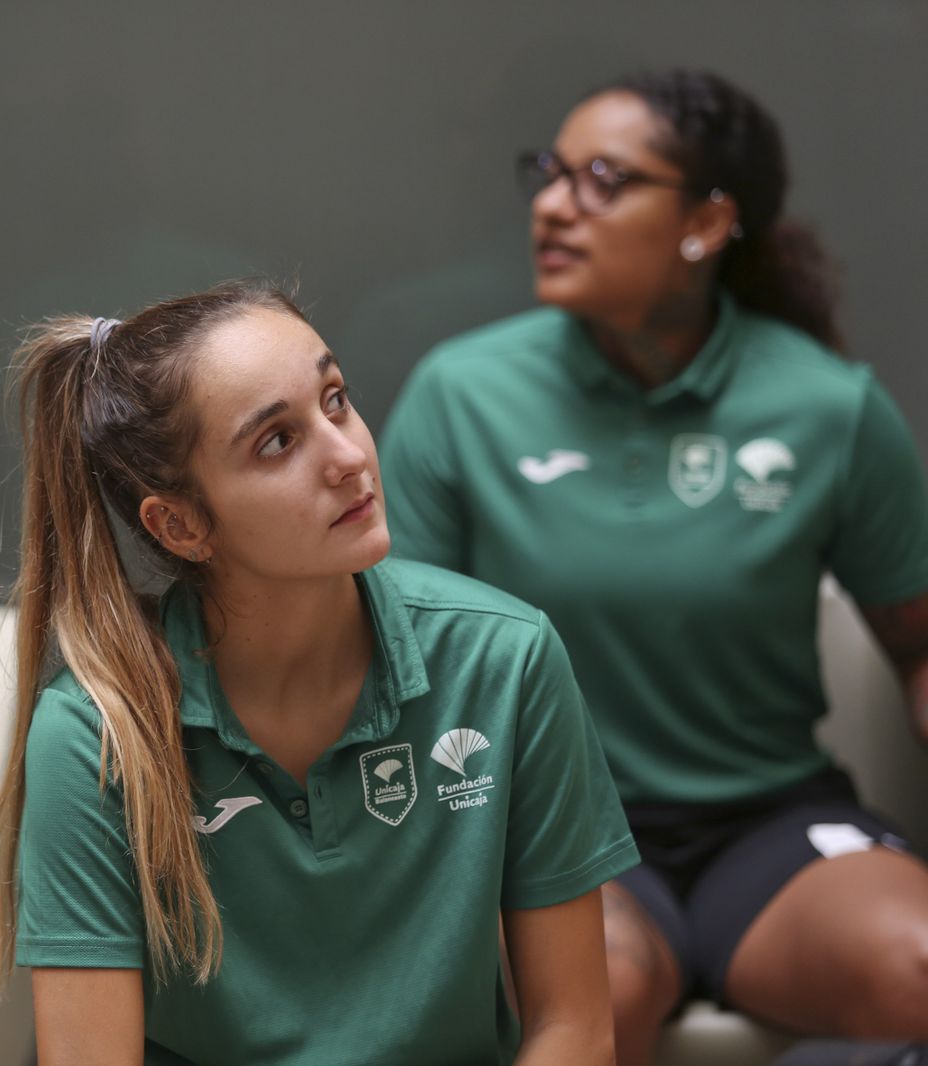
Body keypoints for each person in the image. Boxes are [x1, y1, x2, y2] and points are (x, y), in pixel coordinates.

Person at [378, 69, 928, 1066]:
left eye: (601, 179)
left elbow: (917, 645)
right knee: (597, 997)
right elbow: (390, 662)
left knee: (915, 966)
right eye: (547, 174)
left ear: (707, 222)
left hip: (770, 824)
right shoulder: (461, 395)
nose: (552, 203)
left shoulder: (827, 405)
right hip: (547, 825)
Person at [0, 280, 639, 1065]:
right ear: (181, 524)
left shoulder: (507, 657)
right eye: (277, 442)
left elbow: (574, 1028)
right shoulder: (95, 731)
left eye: (335, 400)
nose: (350, 455)